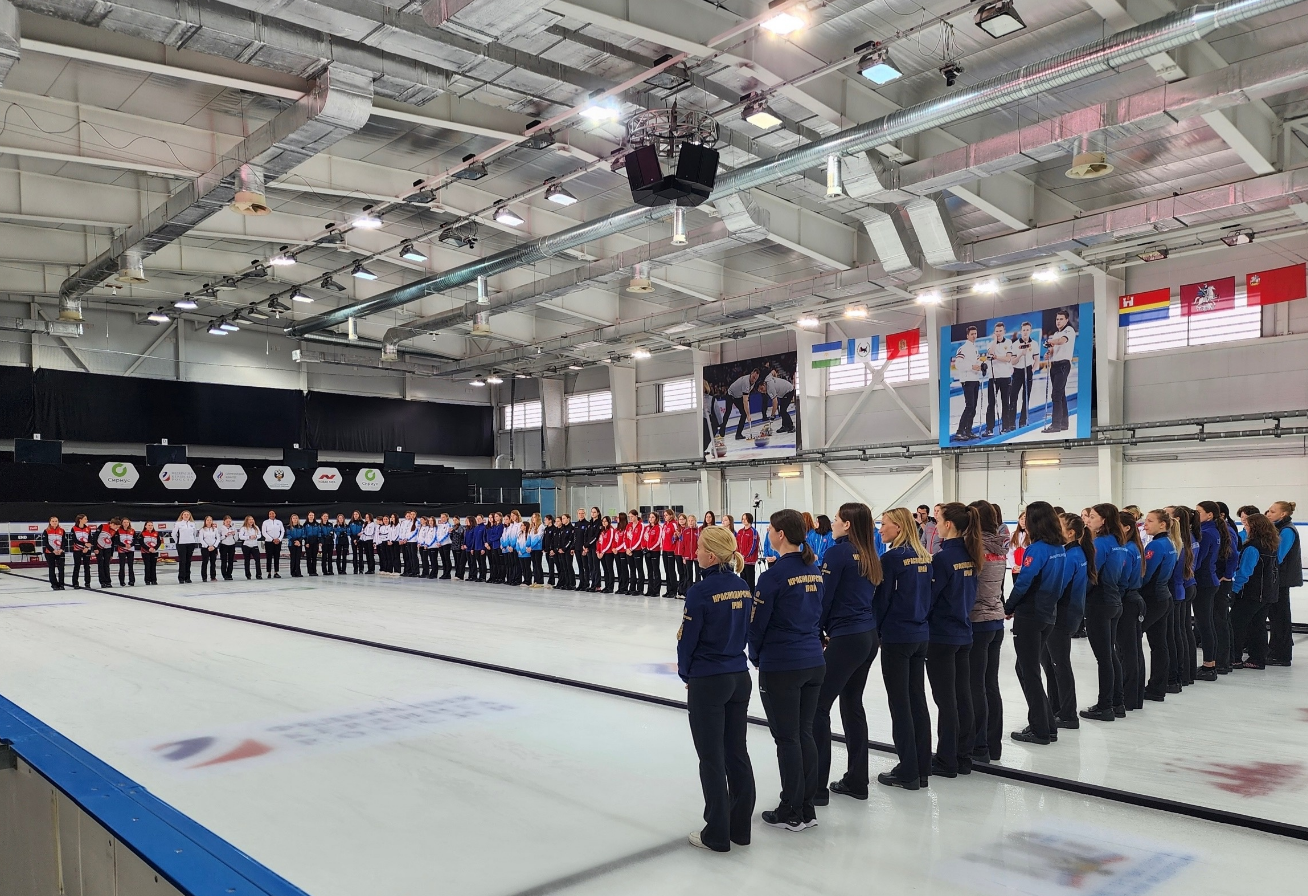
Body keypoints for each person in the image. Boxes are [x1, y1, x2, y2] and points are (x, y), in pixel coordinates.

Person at [679, 525, 756, 852]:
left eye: (699, 548)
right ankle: (740, 828)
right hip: (738, 675)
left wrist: (686, 673)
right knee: (736, 753)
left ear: (711, 556)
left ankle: (717, 833)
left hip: (709, 678)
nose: (695, 552)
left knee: (711, 758)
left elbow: (688, 640)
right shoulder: (743, 586)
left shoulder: (700, 591)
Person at [749, 509, 825, 831]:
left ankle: (791, 809)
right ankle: (806, 806)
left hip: (783, 664)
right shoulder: (813, 569)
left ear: (780, 534)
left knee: (787, 738)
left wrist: (756, 656)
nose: (767, 534)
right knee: (804, 733)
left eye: (770, 529)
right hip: (813, 661)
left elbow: (757, 626)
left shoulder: (773, 576)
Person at [813, 502, 882, 804]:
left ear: (848, 524)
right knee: (852, 704)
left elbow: (824, 597)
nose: (833, 523)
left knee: (817, 707)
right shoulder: (869, 553)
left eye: (837, 519)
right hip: (867, 635)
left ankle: (816, 788)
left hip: (847, 637)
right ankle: (857, 780)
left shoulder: (837, 553)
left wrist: (816, 630)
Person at [873, 507, 932, 789]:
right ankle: (922, 767)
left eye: (884, 524)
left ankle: (907, 770)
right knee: (917, 700)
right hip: (920, 633)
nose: (880, 529)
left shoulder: (891, 559)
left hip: (897, 636)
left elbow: (882, 600)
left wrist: (875, 630)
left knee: (900, 703)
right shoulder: (924, 557)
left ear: (898, 527)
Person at [1002, 501, 1067, 745]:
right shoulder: (1059, 548)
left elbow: (1024, 582)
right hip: (1048, 613)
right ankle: (1047, 724)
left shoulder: (1036, 549)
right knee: (1027, 668)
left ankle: (1040, 729)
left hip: (1031, 615)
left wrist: (1009, 606)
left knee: (1027, 671)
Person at [926, 503, 981, 778]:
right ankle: (963, 756)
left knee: (945, 700)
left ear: (948, 525)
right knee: (962, 696)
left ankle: (946, 759)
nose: (935, 525)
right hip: (963, 632)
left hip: (942, 635)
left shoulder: (943, 559)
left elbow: (930, 598)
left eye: (938, 521)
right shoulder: (971, 555)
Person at [967, 501, 1007, 764]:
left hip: (978, 621)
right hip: (995, 619)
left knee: (976, 685)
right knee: (990, 684)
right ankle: (993, 744)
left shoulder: (976, 548)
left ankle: (978, 745)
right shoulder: (999, 546)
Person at [1080, 504, 1127, 722]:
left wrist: (1076, 598)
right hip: (1114, 600)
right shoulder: (1119, 542)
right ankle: (1117, 702)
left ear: (1104, 520)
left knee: (1104, 657)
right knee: (1110, 654)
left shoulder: (1099, 543)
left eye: (1092, 517)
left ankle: (1105, 705)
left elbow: (1092, 575)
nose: (1088, 520)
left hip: (1099, 603)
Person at [1046, 513, 1092, 729]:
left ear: (1071, 533)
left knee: (1060, 665)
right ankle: (1056, 707)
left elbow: (1057, 587)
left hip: (1063, 617)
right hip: (1069, 614)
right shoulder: (1075, 552)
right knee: (1053, 664)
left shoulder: (1071, 556)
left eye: (1059, 525)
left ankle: (1067, 714)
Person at [1229, 513, 1280, 670]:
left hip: (1251, 593)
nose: (1245, 528)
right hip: (1267, 593)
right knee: (1258, 626)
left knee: (1235, 624)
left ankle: (1235, 658)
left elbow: (1245, 572)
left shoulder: (1252, 548)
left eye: (1247, 525)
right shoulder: (1271, 545)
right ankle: (1257, 658)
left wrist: (1234, 590)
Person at [1141, 510, 1178, 701]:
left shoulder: (1155, 545)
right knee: (1159, 644)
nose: (1145, 524)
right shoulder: (1169, 543)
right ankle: (1157, 688)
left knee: (1130, 641)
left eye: (1150, 521)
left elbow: (1145, 575)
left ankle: (1132, 687)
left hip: (1153, 599)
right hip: (1163, 597)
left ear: (1162, 524)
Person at [1193, 501, 1230, 681]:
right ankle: (1210, 663)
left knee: (1205, 624)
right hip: (1209, 580)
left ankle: (1209, 665)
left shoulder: (1206, 533)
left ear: (1209, 515)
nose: (1195, 515)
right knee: (1206, 623)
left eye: (1198, 512)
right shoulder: (1212, 531)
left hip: (1205, 582)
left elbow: (1198, 561)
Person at [1116, 510, 1147, 711]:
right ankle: (1134, 697)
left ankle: (1127, 697)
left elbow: (1122, 579)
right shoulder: (1134, 546)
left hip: (1127, 601)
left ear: (1126, 528)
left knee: (1127, 651)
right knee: (1133, 650)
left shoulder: (1127, 549)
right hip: (1133, 599)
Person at [1265, 500, 1300, 666]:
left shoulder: (1287, 530)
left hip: (1281, 581)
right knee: (1276, 616)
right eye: (1269, 511)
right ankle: (1276, 650)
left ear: (1283, 514)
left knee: (1280, 616)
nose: (1268, 514)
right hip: (1277, 579)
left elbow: (1278, 556)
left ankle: (1281, 654)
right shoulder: (1279, 529)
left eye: (1272, 511)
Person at [1042, 309, 1075, 434]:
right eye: (1057, 319)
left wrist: (1051, 341)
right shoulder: (1055, 334)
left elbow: (1062, 341)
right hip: (1054, 365)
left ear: (1066, 320)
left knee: (1056, 394)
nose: (1058, 321)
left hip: (1063, 365)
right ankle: (1064, 423)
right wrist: (1048, 353)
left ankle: (1056, 424)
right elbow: (1052, 349)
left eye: (1061, 319)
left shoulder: (1069, 330)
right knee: (1060, 394)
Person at [951, 325, 982, 442]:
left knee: (973, 407)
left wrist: (981, 367)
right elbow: (958, 364)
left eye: (975, 334)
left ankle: (968, 431)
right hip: (967, 380)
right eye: (972, 334)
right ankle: (959, 431)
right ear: (967, 335)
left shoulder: (975, 349)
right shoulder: (963, 349)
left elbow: (977, 362)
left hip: (975, 379)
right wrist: (971, 366)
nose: (974, 336)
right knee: (969, 406)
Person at [984, 321, 1015, 436]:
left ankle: (1006, 426)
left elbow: (1008, 358)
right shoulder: (990, 344)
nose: (998, 333)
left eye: (1000, 331)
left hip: (1005, 377)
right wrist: (994, 341)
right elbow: (990, 353)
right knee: (991, 403)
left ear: (1004, 331)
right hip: (993, 377)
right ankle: (989, 428)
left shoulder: (1008, 342)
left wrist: (996, 357)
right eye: (996, 331)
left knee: (1005, 402)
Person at [721, 368, 760, 440]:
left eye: (756, 378)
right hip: (730, 394)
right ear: (751, 374)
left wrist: (747, 413)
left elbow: (746, 397)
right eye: (753, 377)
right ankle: (722, 430)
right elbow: (745, 401)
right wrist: (748, 415)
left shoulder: (753, 383)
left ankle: (738, 434)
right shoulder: (746, 382)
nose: (754, 379)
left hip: (738, 396)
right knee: (728, 412)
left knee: (743, 414)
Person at [1011, 320, 1036, 427]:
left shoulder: (1034, 344)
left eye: (1027, 330)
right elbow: (1012, 362)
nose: (1025, 332)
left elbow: (1036, 360)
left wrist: (1032, 370)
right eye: (1024, 330)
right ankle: (1011, 423)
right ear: (1021, 331)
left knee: (1026, 397)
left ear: (1030, 331)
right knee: (1013, 396)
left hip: (1028, 370)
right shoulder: (1015, 345)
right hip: (1017, 371)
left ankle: (1023, 421)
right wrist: (1021, 354)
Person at [761, 369, 795, 434]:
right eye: (760, 391)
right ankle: (784, 426)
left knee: (783, 411)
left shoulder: (770, 389)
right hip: (783, 393)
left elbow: (775, 402)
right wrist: (776, 380)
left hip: (788, 390)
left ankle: (791, 426)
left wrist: (772, 415)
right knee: (782, 411)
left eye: (762, 389)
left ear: (764, 384)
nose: (762, 391)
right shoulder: (767, 378)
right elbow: (773, 371)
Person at [41, 516, 66, 591]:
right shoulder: (46, 531)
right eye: (53, 521)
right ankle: (54, 584)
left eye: (56, 521)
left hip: (60, 552)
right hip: (50, 552)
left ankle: (61, 584)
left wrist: (61, 549)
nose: (55, 523)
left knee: (61, 568)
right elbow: (45, 543)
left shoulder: (62, 530)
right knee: (52, 568)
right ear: (50, 522)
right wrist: (53, 550)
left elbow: (64, 541)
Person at [736, 513, 760, 591]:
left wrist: (744, 555)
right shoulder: (740, 531)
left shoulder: (753, 532)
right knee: (742, 579)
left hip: (749, 561)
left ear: (749, 519)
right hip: (741, 560)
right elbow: (737, 544)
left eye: (745, 519)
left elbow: (752, 546)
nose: (743, 520)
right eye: (742, 519)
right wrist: (738, 554)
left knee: (750, 580)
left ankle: (751, 594)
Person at [660, 509, 680, 598]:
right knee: (667, 570)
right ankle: (668, 590)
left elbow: (676, 535)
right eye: (664, 515)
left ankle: (674, 590)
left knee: (671, 570)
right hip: (664, 549)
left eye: (666, 515)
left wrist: (674, 539)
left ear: (671, 515)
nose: (665, 517)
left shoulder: (674, 524)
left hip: (671, 549)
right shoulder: (665, 524)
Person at [642, 510, 662, 597]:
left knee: (655, 570)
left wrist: (650, 548)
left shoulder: (658, 528)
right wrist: (644, 547)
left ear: (656, 518)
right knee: (649, 571)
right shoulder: (646, 528)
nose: (651, 519)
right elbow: (643, 538)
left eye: (653, 517)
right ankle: (650, 589)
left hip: (654, 551)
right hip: (647, 552)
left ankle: (656, 590)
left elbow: (657, 540)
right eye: (650, 517)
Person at [70, 514, 93, 590]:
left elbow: (90, 539)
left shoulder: (88, 528)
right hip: (77, 550)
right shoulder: (74, 528)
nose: (87, 520)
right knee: (77, 566)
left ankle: (87, 583)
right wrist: (84, 544)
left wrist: (86, 547)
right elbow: (75, 540)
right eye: (85, 519)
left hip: (86, 550)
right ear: (80, 520)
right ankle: (75, 583)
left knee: (87, 566)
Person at [174, 510, 198, 584]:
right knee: (182, 561)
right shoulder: (178, 524)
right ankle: (181, 578)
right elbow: (174, 534)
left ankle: (188, 577)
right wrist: (177, 541)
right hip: (181, 544)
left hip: (191, 543)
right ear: (182, 516)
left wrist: (193, 541)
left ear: (190, 516)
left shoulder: (192, 524)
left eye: (188, 514)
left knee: (188, 561)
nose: (186, 516)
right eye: (185, 514)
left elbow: (195, 533)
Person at [679, 514, 699, 596]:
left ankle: (698, 593)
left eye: (692, 520)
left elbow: (701, 544)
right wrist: (683, 556)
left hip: (697, 557)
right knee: (688, 575)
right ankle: (689, 593)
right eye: (689, 520)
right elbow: (682, 544)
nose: (691, 522)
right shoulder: (685, 532)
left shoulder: (698, 531)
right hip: (687, 556)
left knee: (698, 574)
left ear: (695, 521)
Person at [238, 516, 263, 580]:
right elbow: (240, 537)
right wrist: (249, 537)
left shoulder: (256, 527)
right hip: (246, 545)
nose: (251, 521)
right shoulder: (243, 528)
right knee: (247, 560)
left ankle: (259, 574)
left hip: (254, 545)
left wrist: (256, 536)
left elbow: (260, 535)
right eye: (250, 519)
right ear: (247, 520)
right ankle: (248, 575)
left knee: (257, 560)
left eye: (252, 519)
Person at [95, 518, 117, 587]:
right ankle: (102, 581)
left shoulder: (114, 531)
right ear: (112, 524)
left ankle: (108, 581)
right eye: (116, 527)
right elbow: (95, 536)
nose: (116, 528)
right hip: (99, 547)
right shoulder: (102, 526)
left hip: (108, 548)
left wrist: (111, 554)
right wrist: (95, 548)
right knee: (101, 564)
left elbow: (112, 543)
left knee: (107, 565)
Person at [262, 510, 284, 578]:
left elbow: (282, 531)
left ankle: (276, 572)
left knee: (277, 557)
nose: (272, 515)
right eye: (270, 514)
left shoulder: (279, 522)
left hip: (278, 542)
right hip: (269, 542)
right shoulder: (265, 522)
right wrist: (272, 539)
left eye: (273, 513)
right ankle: (269, 572)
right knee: (269, 557)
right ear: (268, 515)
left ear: (275, 514)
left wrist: (279, 539)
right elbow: (264, 532)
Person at [115, 517, 137, 586]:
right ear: (121, 523)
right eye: (124, 522)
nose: (126, 524)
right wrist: (124, 545)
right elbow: (117, 541)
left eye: (127, 522)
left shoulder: (132, 530)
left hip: (130, 550)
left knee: (131, 565)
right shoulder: (118, 530)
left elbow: (135, 540)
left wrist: (131, 545)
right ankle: (122, 581)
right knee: (122, 565)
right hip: (122, 550)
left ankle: (132, 581)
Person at [198, 516, 221, 582]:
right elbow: (201, 539)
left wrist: (214, 546)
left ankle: (213, 577)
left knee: (213, 562)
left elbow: (218, 539)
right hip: (205, 548)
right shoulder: (202, 530)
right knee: (205, 562)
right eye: (208, 520)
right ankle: (204, 577)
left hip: (213, 548)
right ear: (205, 521)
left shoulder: (215, 529)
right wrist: (207, 546)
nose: (209, 521)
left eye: (210, 520)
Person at [597, 515, 616, 592]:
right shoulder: (602, 531)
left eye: (605, 521)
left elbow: (609, 542)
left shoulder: (611, 530)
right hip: (602, 553)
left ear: (609, 522)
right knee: (605, 569)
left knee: (609, 569)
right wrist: (598, 551)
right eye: (603, 521)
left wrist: (603, 551)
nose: (604, 523)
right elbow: (599, 542)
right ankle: (606, 585)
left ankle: (610, 587)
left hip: (608, 553)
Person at [219, 515, 238, 581]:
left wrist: (234, 534)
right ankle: (224, 575)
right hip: (224, 545)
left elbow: (236, 538)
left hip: (232, 545)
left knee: (231, 560)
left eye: (229, 521)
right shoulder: (221, 528)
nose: (228, 523)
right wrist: (225, 535)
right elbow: (219, 538)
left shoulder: (233, 528)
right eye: (227, 521)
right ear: (224, 521)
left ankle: (229, 574)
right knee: (224, 561)